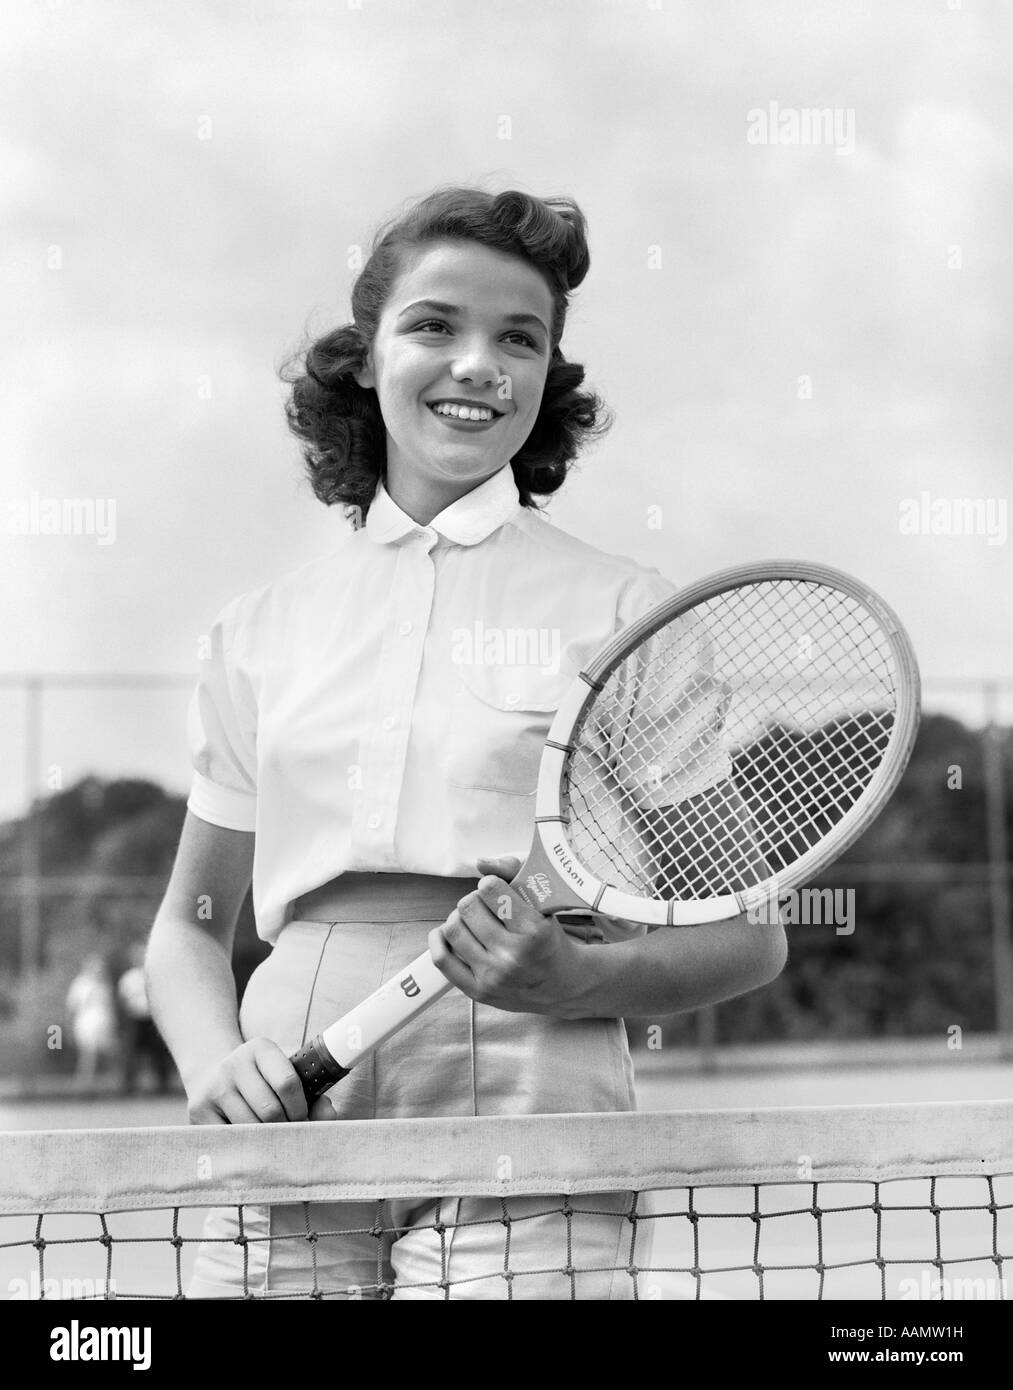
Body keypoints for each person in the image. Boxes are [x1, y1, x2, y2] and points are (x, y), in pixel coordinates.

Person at [146, 187, 787, 1299]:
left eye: (519, 338)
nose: (479, 363)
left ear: (547, 380)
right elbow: (188, 934)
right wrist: (218, 1063)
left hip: (537, 1078)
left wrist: (574, 976)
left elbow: (749, 937)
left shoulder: (623, 607)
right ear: (364, 357)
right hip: (296, 1091)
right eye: (435, 324)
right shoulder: (256, 631)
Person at [117, 943, 173, 1094]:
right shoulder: (128, 978)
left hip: (151, 1019)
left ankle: (163, 1084)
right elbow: (122, 999)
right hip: (135, 1019)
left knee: (157, 1052)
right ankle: (128, 1085)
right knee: (133, 1053)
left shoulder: (152, 975)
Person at [65, 954, 119, 1089]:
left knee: (110, 1054)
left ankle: (114, 1084)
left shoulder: (105, 984)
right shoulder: (81, 984)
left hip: (105, 1023)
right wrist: (68, 1027)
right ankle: (85, 1085)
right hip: (86, 1024)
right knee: (88, 1055)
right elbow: (72, 1006)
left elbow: (109, 1006)